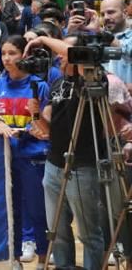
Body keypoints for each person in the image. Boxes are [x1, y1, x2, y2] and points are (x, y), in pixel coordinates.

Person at [26, 34, 109, 270]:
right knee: (57, 231)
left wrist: (42, 37)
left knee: (88, 233)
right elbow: (47, 130)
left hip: (82, 165)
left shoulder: (93, 77)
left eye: (65, 52)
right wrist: (35, 115)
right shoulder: (58, 83)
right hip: (54, 164)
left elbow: (75, 54)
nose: (59, 56)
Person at [0, 35, 49, 268]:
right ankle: (15, 258)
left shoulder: (39, 85)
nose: (7, 59)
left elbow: (45, 122)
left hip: (34, 157)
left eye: (12, 53)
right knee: (11, 211)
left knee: (38, 211)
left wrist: (26, 130)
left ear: (24, 55)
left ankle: (43, 258)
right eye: (4, 53)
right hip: (5, 159)